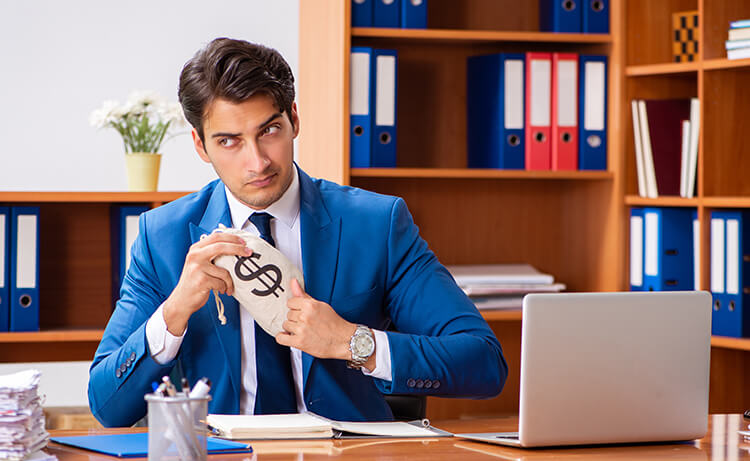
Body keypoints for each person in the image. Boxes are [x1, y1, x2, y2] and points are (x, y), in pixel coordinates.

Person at [88, 38, 507, 427]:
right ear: (201, 146)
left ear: (293, 119)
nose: (257, 162)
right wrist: (174, 311)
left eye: (268, 131)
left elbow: (483, 363)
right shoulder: (163, 236)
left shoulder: (376, 223)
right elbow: (107, 405)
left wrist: (353, 342)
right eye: (230, 142)